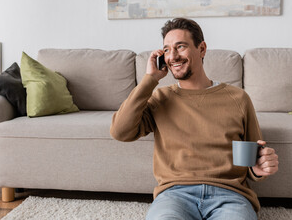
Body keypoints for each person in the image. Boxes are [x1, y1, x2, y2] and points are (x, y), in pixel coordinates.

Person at [110, 18, 279, 220]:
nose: (172, 56)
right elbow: (120, 132)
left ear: (202, 49)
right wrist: (150, 80)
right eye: (167, 49)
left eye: (180, 47)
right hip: (174, 196)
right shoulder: (160, 98)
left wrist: (258, 169)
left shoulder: (238, 98)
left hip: (230, 195)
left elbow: (252, 158)